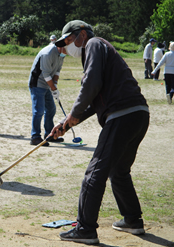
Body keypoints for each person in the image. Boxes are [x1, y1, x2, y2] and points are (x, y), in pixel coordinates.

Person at [51, 20, 149, 244]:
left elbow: (91, 84)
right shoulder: (100, 50)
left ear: (82, 35)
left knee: (94, 172)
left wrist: (73, 113)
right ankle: (133, 220)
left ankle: (85, 229)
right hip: (138, 114)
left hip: (121, 115)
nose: (66, 47)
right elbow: (94, 101)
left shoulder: (94, 44)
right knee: (119, 170)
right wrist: (66, 123)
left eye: (68, 41)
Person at [28, 43, 66, 146]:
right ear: (61, 46)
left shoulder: (62, 54)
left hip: (47, 84)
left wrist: (55, 85)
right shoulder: (48, 53)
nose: (68, 53)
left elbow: (57, 71)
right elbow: (45, 74)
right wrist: (53, 88)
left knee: (51, 109)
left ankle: (49, 135)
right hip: (37, 83)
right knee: (39, 110)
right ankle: (35, 137)